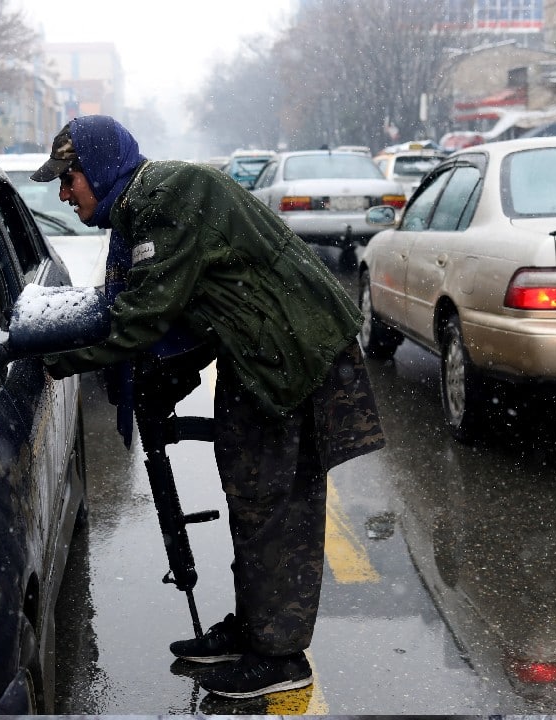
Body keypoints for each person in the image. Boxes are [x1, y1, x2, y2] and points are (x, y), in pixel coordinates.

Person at [31, 115, 386, 699]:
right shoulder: (141, 207)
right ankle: (254, 631)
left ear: (95, 168)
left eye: (68, 179)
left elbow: (147, 315)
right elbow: (191, 307)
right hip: (257, 355)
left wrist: (56, 361)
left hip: (295, 355)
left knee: (276, 505)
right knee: (252, 496)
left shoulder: (167, 196)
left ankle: (280, 657)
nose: (64, 194)